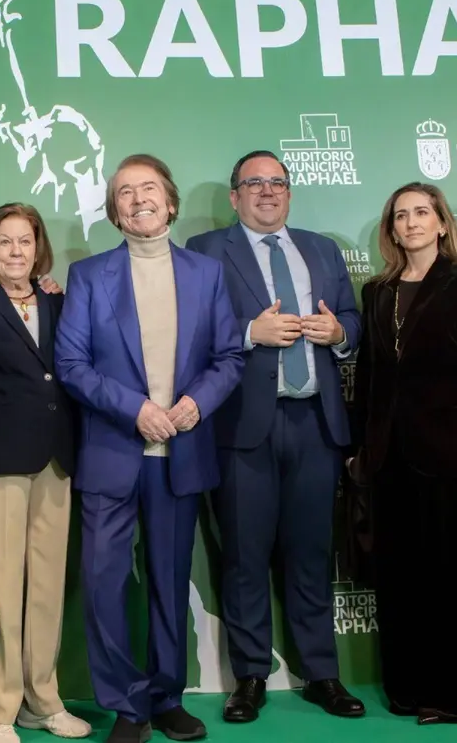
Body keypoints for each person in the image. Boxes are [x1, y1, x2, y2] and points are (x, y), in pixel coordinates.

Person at [55, 153, 243, 743]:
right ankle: (125, 704)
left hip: (181, 454)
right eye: (125, 192)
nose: (138, 198)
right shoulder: (89, 276)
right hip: (113, 451)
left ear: (169, 200)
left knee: (168, 580)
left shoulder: (205, 274)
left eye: (148, 188)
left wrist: (194, 405)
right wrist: (135, 409)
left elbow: (230, 357)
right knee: (105, 583)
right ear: (114, 210)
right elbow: (71, 363)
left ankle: (165, 696)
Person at [184, 150, 363, 723]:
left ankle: (322, 674)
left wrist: (339, 332)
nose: (267, 191)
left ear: (290, 193)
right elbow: (188, 333)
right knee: (244, 555)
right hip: (241, 426)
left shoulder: (323, 248)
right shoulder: (207, 251)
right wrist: (247, 331)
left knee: (311, 554)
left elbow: (355, 322)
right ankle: (251, 676)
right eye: (253, 183)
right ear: (234, 197)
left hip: (315, 422)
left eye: (277, 182)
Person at [347, 182, 457, 725]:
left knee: (449, 582)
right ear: (391, 229)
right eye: (400, 215)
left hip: (450, 459)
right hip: (387, 460)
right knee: (398, 580)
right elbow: (367, 380)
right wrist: (357, 452)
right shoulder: (377, 292)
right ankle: (408, 689)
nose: (412, 222)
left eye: (422, 212)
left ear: (442, 223)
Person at [0, 203, 90, 743]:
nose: (15, 251)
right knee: (0, 588)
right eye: (5, 241)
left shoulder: (60, 302)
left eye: (25, 241)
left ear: (38, 248)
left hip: (56, 462)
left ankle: (41, 701)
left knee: (47, 588)